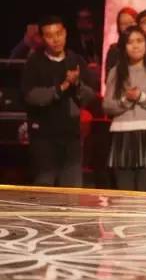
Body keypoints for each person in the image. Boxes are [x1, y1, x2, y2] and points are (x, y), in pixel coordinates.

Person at [21, 16, 96, 187]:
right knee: (44, 185)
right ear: (42, 38)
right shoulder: (34, 62)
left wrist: (77, 84)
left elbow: (89, 96)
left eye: (59, 33)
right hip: (43, 136)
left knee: (71, 189)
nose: (56, 40)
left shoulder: (76, 60)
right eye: (49, 35)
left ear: (65, 33)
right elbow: (31, 95)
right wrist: (62, 87)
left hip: (71, 136)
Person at [102, 26, 146, 191]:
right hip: (121, 133)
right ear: (123, 47)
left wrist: (141, 97)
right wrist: (126, 100)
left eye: (139, 41)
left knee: (144, 189)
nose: (135, 46)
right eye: (130, 42)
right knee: (124, 191)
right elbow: (107, 106)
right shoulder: (116, 71)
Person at [105, 7, 138, 79]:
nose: (128, 26)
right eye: (123, 24)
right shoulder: (114, 50)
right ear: (119, 27)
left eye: (131, 22)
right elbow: (109, 79)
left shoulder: (145, 48)